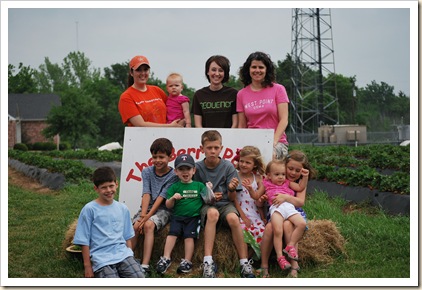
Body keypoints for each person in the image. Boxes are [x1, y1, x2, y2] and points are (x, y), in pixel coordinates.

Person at [193, 130, 255, 278]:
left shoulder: (228, 167)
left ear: (221, 148)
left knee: (234, 219)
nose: (212, 151)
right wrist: (209, 197)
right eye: (209, 148)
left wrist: (231, 188)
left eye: (216, 147)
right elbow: (194, 193)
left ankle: (244, 262)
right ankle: (208, 262)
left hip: (226, 204)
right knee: (213, 214)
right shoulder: (197, 168)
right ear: (202, 149)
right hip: (208, 206)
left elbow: (233, 197)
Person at [73, 167, 144, 278]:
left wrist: (130, 256)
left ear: (117, 184)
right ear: (96, 189)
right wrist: (87, 267)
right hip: (102, 258)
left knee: (139, 278)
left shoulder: (123, 208)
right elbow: (84, 240)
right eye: (103, 188)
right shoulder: (89, 209)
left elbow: (127, 237)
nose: (108, 190)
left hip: (123, 255)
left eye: (111, 186)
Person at [258, 150, 316, 278]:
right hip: (276, 211)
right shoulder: (276, 177)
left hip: (293, 212)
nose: (293, 173)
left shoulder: (299, 183)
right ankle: (264, 265)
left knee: (288, 225)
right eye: (290, 169)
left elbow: (300, 202)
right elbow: (261, 196)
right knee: (269, 228)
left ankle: (294, 266)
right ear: (285, 166)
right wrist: (262, 199)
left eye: (297, 170)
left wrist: (285, 197)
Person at [130, 138, 179, 276]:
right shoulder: (147, 172)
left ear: (170, 157)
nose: (158, 160)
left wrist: (147, 218)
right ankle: (127, 259)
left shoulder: (173, 176)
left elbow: (161, 197)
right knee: (135, 226)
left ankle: (145, 265)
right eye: (154, 157)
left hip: (164, 208)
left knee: (148, 226)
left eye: (161, 157)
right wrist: (143, 215)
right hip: (147, 207)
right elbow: (146, 193)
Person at [155, 154, 205, 275]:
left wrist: (209, 190)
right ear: (176, 172)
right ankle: (166, 258)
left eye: (188, 169)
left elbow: (208, 199)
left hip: (193, 218)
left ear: (194, 170)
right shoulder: (175, 186)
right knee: (172, 235)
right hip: (177, 217)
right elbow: (168, 205)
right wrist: (173, 198)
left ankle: (187, 261)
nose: (185, 172)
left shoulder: (199, 185)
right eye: (181, 169)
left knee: (189, 237)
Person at [237, 51, 290, 159]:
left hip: (276, 142)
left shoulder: (278, 89)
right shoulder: (241, 94)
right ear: (248, 69)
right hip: (251, 143)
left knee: (269, 156)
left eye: (261, 67)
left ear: (267, 70)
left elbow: (284, 120)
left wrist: (273, 142)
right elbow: (242, 125)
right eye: (254, 67)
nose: (257, 70)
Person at [118, 55, 184, 127]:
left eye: (145, 70)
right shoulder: (126, 97)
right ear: (131, 72)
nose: (143, 73)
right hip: (142, 137)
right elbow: (140, 124)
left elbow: (173, 107)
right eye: (139, 70)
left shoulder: (157, 90)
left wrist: (182, 120)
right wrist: (170, 127)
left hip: (165, 136)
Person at [233, 146, 266, 259]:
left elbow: (257, 198)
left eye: (248, 162)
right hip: (239, 212)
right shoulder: (234, 176)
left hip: (254, 213)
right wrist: (243, 217)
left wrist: (251, 189)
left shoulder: (258, 178)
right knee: (243, 231)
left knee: (262, 232)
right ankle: (244, 260)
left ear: (255, 164)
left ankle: (251, 259)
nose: (243, 164)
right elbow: (234, 200)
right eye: (241, 161)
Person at [191, 55, 238, 128]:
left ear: (225, 73)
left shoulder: (233, 94)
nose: (217, 74)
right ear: (207, 72)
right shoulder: (199, 95)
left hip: (229, 137)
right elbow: (198, 125)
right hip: (206, 138)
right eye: (213, 70)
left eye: (220, 70)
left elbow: (235, 123)